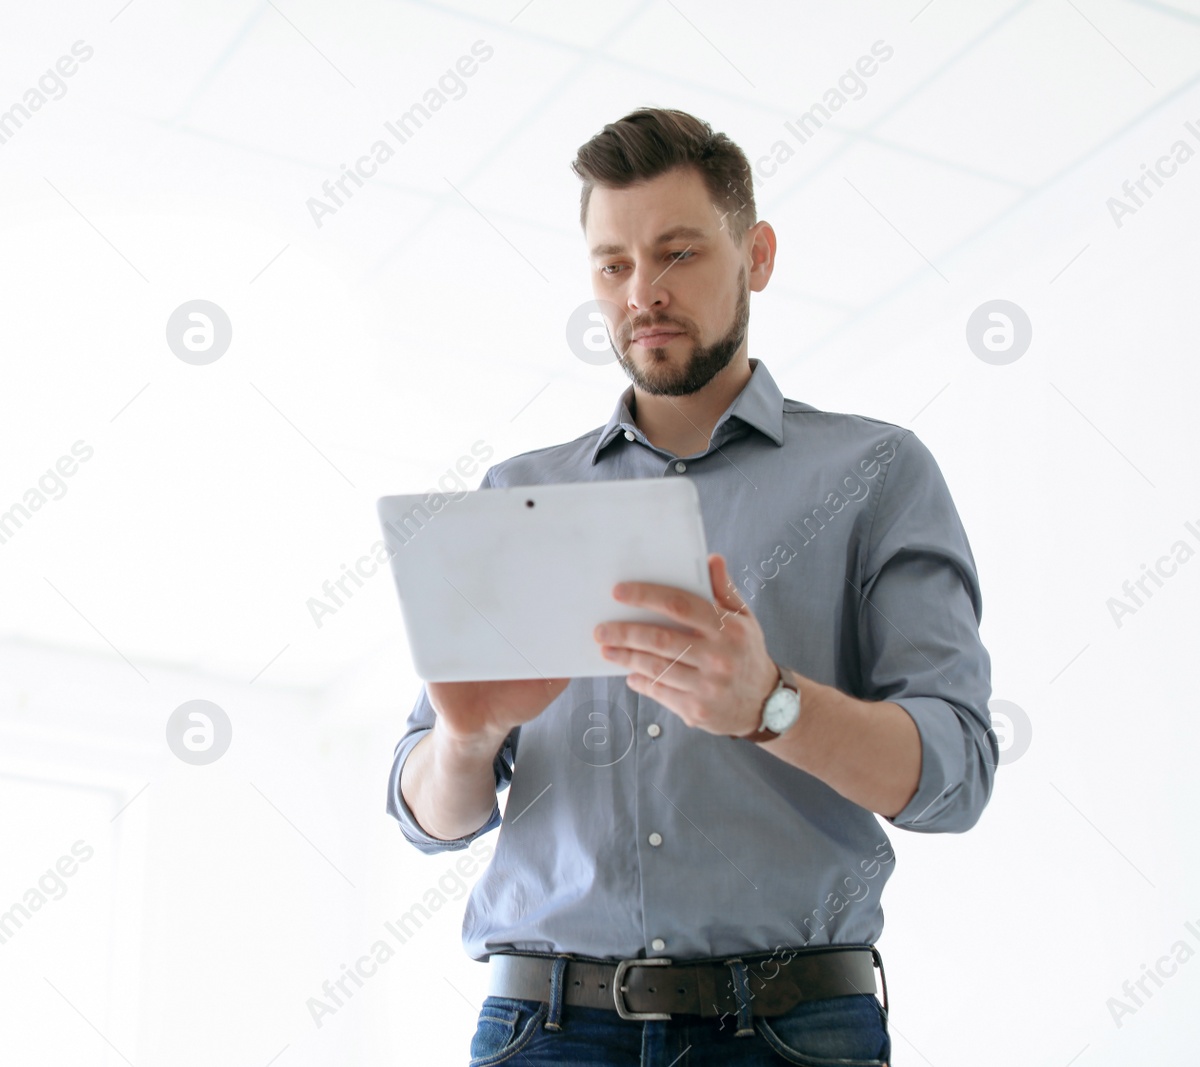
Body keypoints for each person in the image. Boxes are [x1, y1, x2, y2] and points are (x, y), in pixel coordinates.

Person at [385, 107, 997, 1066]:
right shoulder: (520, 495)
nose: (644, 294)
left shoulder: (879, 472)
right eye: (613, 265)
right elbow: (432, 814)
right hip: (542, 1030)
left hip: (790, 1032)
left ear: (756, 254)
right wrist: (465, 740)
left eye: (678, 254)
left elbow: (955, 774)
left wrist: (772, 705)